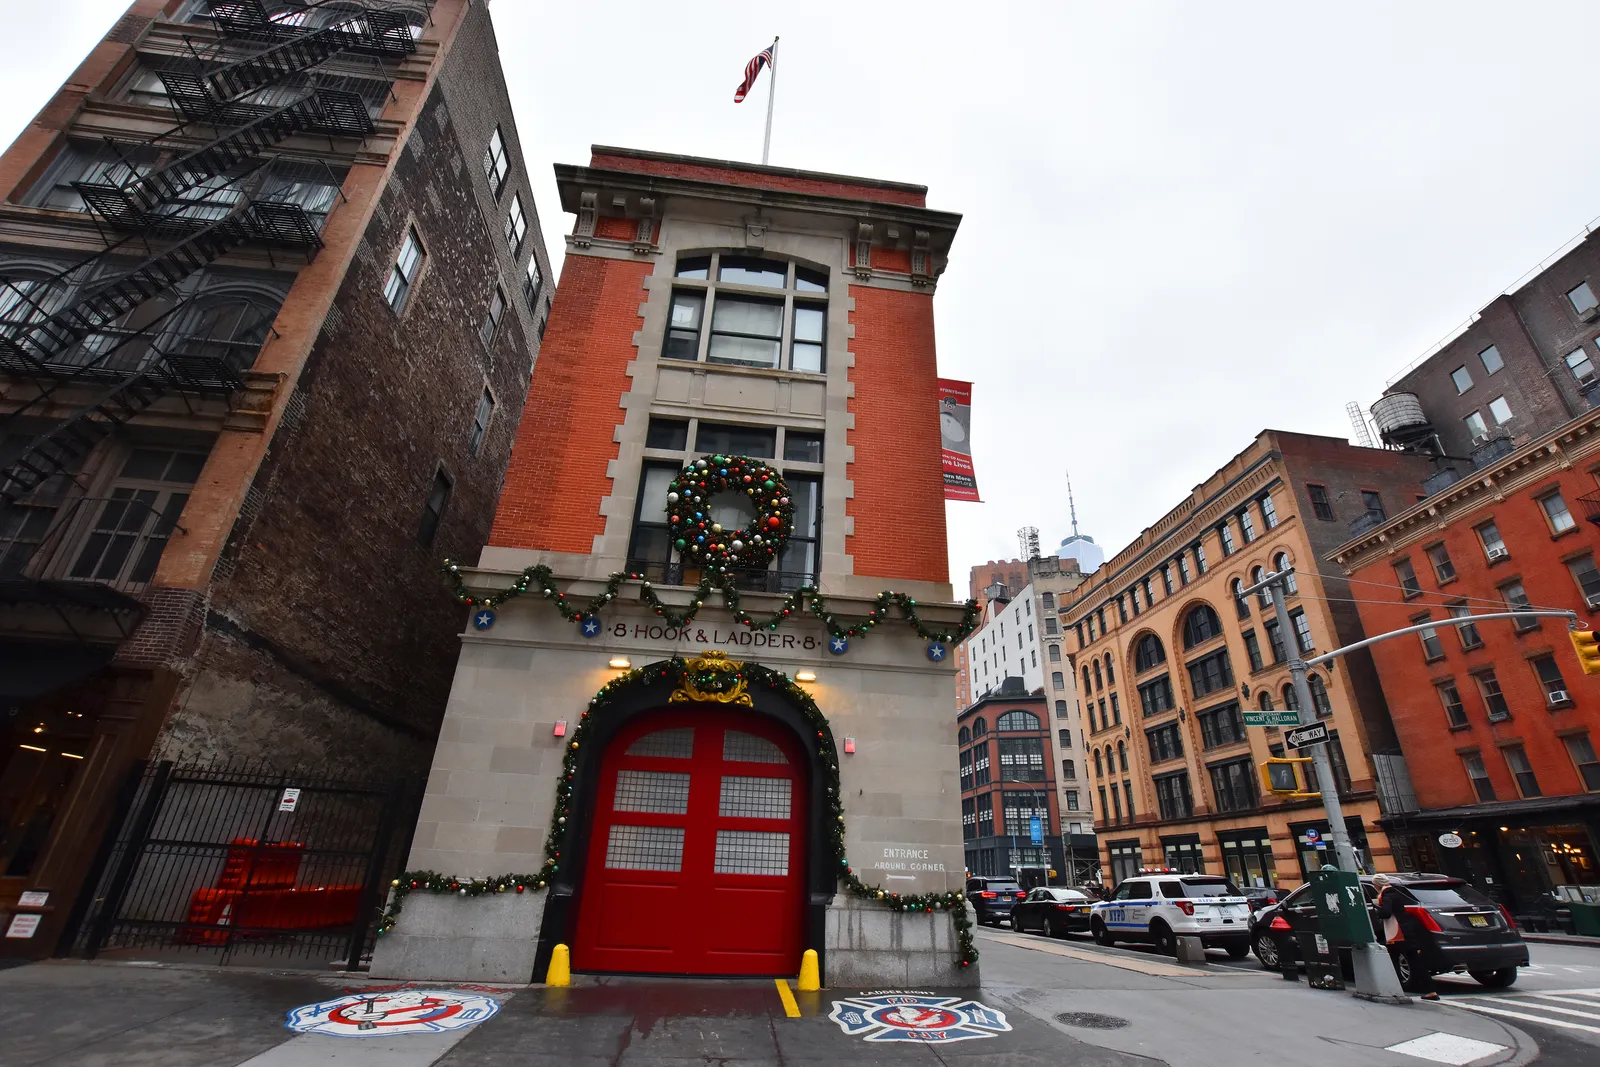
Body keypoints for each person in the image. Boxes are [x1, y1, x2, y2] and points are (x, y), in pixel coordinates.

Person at [1374, 873, 1438, 999]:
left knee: (1393, 961)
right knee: (1415, 961)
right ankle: (1431, 991)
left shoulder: (1386, 896)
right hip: (1407, 931)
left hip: (1397, 933)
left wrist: (1377, 910)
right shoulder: (1397, 892)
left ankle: (1395, 990)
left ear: (1376, 885)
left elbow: (1386, 913)